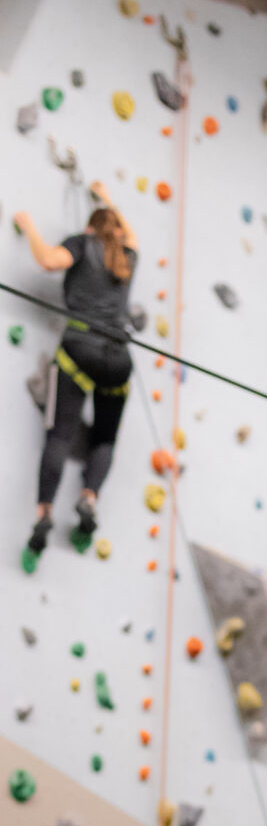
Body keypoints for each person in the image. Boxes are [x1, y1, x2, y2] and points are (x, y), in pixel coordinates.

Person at [15, 183, 139, 571]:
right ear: (117, 231)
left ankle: (44, 513)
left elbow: (51, 262)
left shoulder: (82, 243)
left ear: (89, 230)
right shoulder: (127, 255)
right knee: (104, 437)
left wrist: (29, 227)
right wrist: (107, 198)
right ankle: (89, 498)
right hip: (118, 360)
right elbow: (129, 234)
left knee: (61, 435)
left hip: (78, 352)